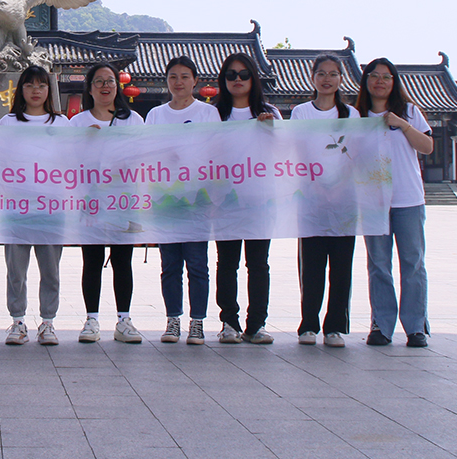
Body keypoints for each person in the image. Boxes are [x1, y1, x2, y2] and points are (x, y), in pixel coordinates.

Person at [357, 57, 434, 348]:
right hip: (372, 201)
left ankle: (416, 326)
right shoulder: (356, 116)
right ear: (366, 80)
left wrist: (401, 124)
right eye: (374, 76)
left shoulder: (410, 112)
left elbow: (427, 146)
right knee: (378, 264)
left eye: (386, 77)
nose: (380, 81)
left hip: (408, 199)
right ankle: (381, 325)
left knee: (413, 263)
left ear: (394, 81)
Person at [145, 56, 219, 346]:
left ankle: (197, 322)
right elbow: (146, 155)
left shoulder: (208, 114)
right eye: (173, 76)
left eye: (185, 76)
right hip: (165, 200)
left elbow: (215, 156)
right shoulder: (155, 115)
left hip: (197, 199)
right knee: (170, 265)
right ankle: (173, 319)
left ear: (195, 81)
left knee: (198, 264)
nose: (179, 82)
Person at [70, 64, 144, 344]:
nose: (105, 86)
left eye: (110, 81)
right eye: (98, 81)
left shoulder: (133, 120)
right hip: (90, 202)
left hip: (124, 200)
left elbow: (143, 158)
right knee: (92, 260)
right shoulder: (78, 123)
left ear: (117, 86)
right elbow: (66, 162)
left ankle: (124, 319)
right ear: (89, 88)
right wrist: (83, 142)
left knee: (123, 261)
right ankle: (91, 320)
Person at [290, 55, 360, 348]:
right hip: (311, 199)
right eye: (321, 73)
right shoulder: (301, 112)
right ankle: (308, 324)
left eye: (333, 74)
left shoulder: (351, 115)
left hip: (344, 201)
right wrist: (318, 185)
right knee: (312, 266)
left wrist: (338, 185)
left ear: (341, 79)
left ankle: (335, 327)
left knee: (342, 267)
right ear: (312, 78)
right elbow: (297, 151)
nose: (327, 79)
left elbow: (355, 154)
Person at [213, 52, 281, 345]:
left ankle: (257, 324)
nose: (237, 80)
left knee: (258, 264)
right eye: (231, 75)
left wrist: (271, 132)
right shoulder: (215, 115)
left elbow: (284, 154)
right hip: (225, 200)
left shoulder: (269, 113)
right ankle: (229, 321)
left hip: (260, 200)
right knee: (227, 263)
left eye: (243, 74)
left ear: (253, 78)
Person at [0, 65, 70, 346]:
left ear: (48, 90)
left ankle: (48, 322)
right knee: (16, 270)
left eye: (41, 85)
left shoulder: (62, 124)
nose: (36, 91)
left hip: (52, 207)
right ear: (21, 90)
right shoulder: (8, 123)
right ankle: (17, 321)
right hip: (17, 207)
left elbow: (73, 161)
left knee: (50, 270)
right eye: (29, 85)